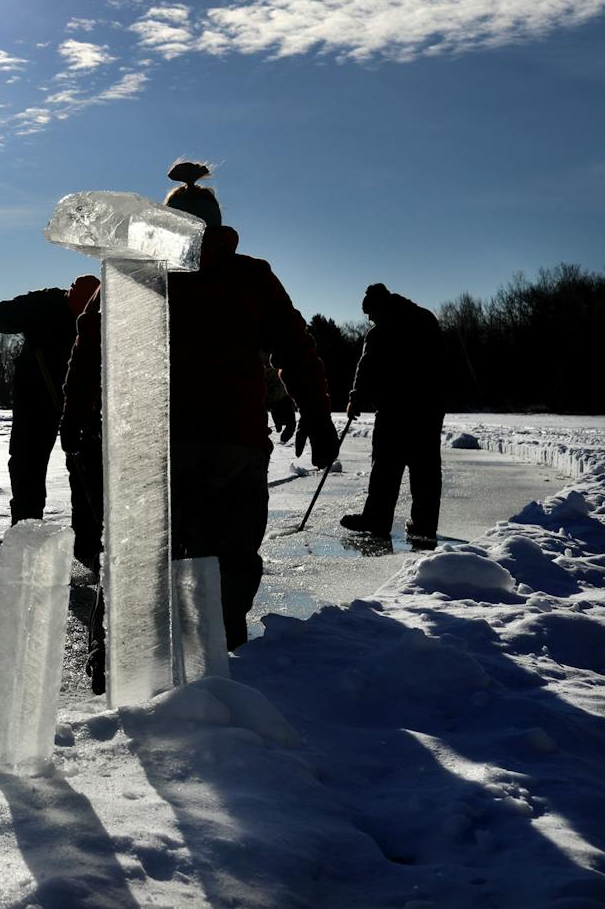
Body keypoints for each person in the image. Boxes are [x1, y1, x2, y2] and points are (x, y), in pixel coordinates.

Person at [63, 161, 339, 662]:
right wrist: (316, 416)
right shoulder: (250, 276)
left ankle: (121, 665)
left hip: (149, 441)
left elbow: (91, 345)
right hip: (230, 443)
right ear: (215, 223)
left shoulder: (134, 270)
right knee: (227, 560)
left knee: (140, 557)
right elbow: (295, 350)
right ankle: (216, 661)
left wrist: (77, 414)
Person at [0, 275, 102, 565]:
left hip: (77, 401)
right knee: (27, 470)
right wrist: (26, 318)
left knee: (85, 469)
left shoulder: (100, 315)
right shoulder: (44, 303)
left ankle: (87, 545)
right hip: (34, 402)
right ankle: (28, 541)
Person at [340, 283, 446, 546]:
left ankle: (380, 520)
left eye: (371, 314)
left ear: (380, 307)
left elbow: (366, 369)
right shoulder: (425, 319)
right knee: (421, 469)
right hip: (426, 409)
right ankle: (422, 525)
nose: (370, 319)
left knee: (389, 467)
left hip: (401, 409)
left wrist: (356, 399)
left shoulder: (383, 332)